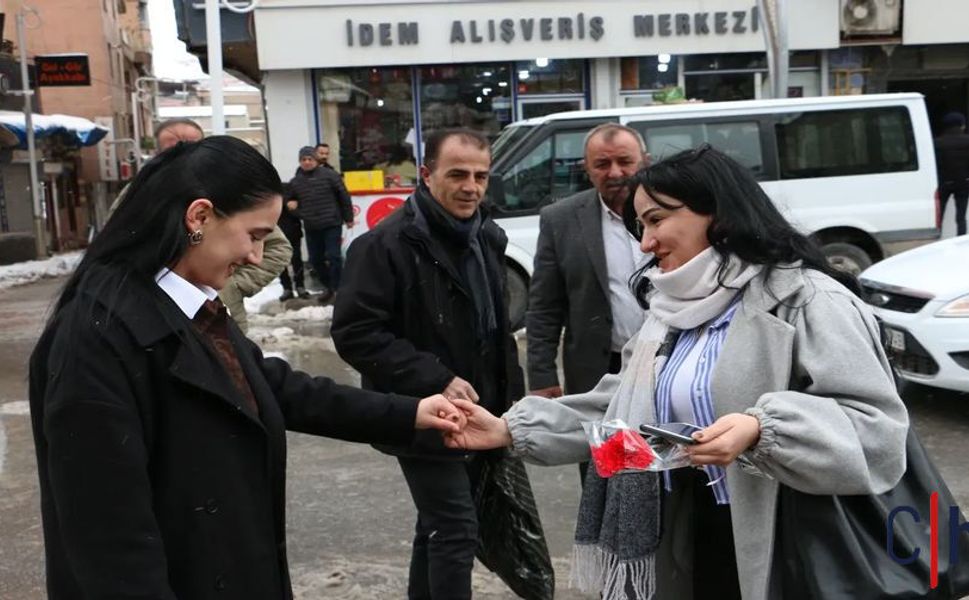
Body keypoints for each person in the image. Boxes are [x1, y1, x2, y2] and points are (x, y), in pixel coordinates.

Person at [444, 146, 910, 600]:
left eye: (655, 220)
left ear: (719, 213)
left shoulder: (808, 300)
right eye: (640, 225)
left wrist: (761, 429)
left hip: (786, 540)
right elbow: (620, 410)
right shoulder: (669, 310)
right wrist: (509, 428)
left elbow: (877, 433)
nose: (645, 243)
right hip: (686, 529)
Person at [28, 136, 465, 600]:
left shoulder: (185, 307)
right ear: (199, 217)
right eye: (254, 235)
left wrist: (410, 413)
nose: (257, 256)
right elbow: (111, 540)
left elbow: (272, 387)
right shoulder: (94, 340)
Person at [331, 128, 528, 600]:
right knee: (457, 528)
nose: (471, 187)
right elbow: (355, 333)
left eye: (481, 176)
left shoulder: (488, 236)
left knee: (438, 525)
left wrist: (512, 397)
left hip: (479, 412)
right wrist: (435, 378)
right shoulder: (383, 246)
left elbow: (495, 329)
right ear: (425, 175)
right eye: (457, 174)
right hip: (418, 413)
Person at [526, 123, 649, 485]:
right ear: (586, 168)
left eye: (625, 162)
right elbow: (544, 305)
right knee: (606, 472)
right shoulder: (561, 219)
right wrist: (542, 375)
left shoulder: (673, 210)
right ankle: (608, 540)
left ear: (645, 161)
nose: (615, 173)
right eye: (602, 164)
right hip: (599, 369)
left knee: (664, 464)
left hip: (668, 363)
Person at [109, 118, 293, 332]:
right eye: (176, 149)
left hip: (219, 319)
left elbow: (277, 248)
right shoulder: (136, 199)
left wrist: (234, 285)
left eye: (194, 146)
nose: (186, 156)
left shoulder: (232, 196)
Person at [286, 146, 353, 301]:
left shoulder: (330, 175)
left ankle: (338, 288)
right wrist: (297, 211)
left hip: (332, 223)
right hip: (311, 226)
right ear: (299, 161)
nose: (307, 162)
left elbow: (344, 196)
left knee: (334, 256)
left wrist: (348, 217)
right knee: (315, 260)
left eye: (310, 159)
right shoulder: (295, 182)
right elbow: (288, 202)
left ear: (315, 160)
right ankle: (329, 287)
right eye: (304, 159)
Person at [934, 111, 969, 236]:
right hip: (964, 182)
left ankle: (937, 240)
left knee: (939, 217)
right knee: (961, 217)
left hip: (943, 183)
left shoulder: (937, 142)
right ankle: (962, 241)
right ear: (961, 125)